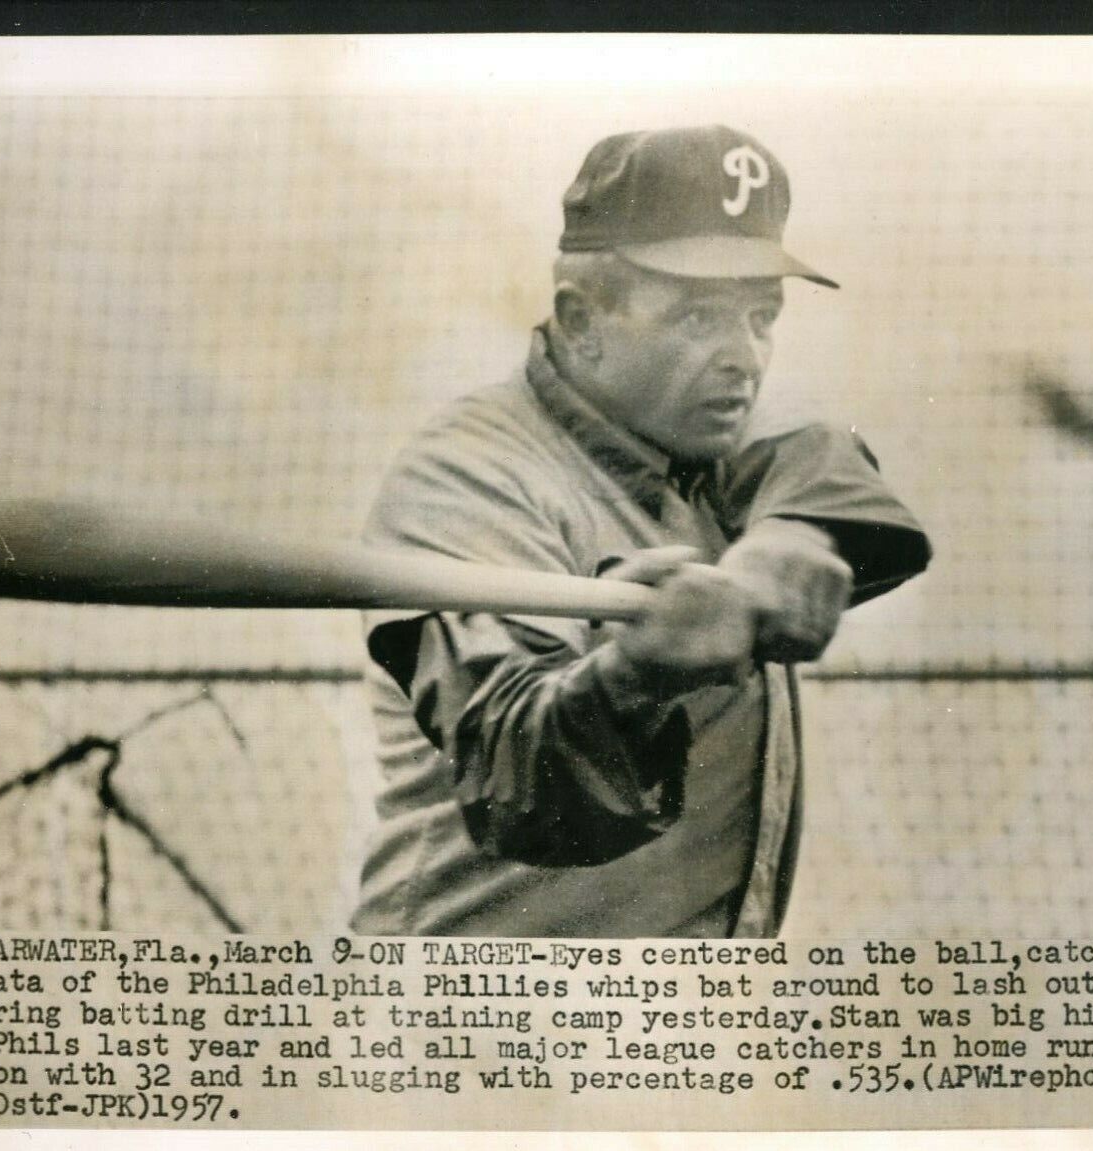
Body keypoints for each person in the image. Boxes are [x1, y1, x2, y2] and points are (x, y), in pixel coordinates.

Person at [355, 125, 931, 938]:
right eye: (699, 318)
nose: (744, 357)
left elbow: (823, 457)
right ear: (583, 319)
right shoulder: (468, 477)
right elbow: (522, 783)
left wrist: (790, 539)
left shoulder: (703, 443)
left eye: (761, 316)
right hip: (474, 1034)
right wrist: (636, 678)